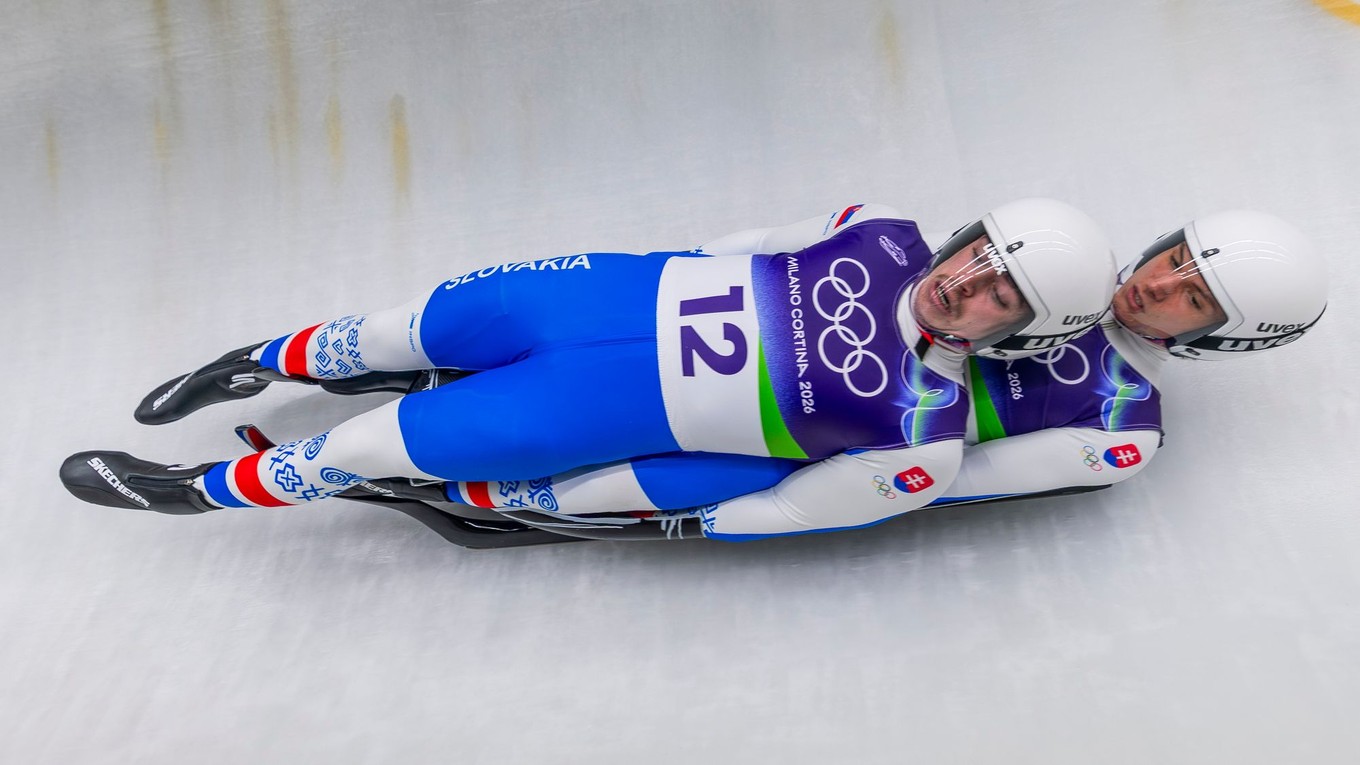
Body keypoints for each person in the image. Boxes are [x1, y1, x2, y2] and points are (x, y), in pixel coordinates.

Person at [60, 199, 1116, 540]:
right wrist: (640, 263)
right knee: (400, 329)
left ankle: (190, 493)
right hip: (603, 299)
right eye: (979, 255)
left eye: (997, 296)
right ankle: (253, 363)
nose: (965, 284)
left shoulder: (922, 436)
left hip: (591, 408)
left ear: (1020, 333)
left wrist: (620, 507)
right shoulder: (879, 230)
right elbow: (745, 242)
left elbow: (785, 505)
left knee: (368, 444)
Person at [455, 209, 1326, 537]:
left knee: (722, 467)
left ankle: (546, 500)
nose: (1157, 282)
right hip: (761, 340)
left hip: (822, 436)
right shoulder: (1059, 246)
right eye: (1177, 257)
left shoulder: (1123, 426)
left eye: (1190, 298)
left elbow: (944, 483)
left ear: (1229, 340)